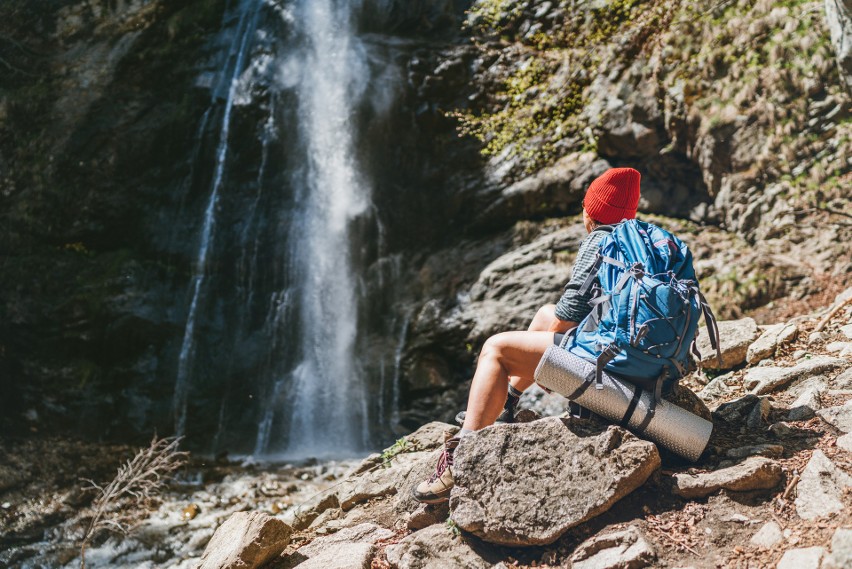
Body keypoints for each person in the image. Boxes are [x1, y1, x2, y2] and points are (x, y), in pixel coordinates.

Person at [412, 167, 642, 504]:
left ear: (591, 213)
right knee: (543, 313)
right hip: (642, 361)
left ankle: (462, 457)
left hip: (612, 369)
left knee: (496, 348)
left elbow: (568, 315)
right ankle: (507, 402)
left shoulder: (599, 241)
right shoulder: (641, 242)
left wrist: (549, 364)